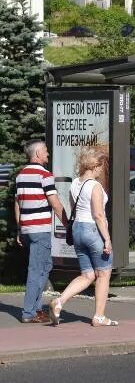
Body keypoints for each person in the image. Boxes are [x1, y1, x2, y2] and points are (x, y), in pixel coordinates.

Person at [49, 147, 116, 326]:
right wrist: (107, 239)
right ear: (96, 165)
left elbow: (73, 208)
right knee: (103, 273)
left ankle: (59, 301)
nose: (103, 170)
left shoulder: (75, 184)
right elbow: (99, 215)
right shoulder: (95, 186)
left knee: (87, 275)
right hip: (93, 230)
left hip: (78, 229)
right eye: (102, 166)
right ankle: (99, 316)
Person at [15, 139, 67, 324]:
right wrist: (68, 224)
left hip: (28, 229)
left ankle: (36, 309)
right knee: (36, 270)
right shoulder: (44, 175)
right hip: (40, 229)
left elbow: (18, 204)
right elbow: (54, 203)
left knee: (46, 266)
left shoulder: (21, 176)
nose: (48, 154)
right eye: (45, 151)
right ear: (37, 154)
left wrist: (20, 228)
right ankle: (29, 312)